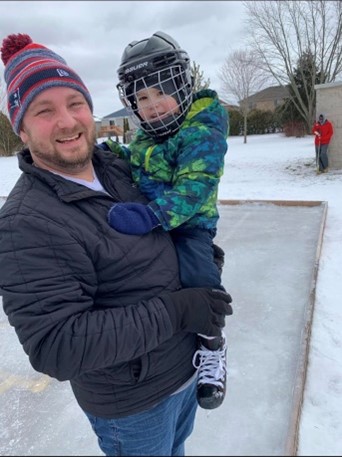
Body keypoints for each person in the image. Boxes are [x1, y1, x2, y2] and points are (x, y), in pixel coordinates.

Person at [0, 33, 233, 456]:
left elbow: (178, 214)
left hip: (184, 373)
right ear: (21, 127)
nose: (67, 121)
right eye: (44, 111)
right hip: (135, 407)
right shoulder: (24, 224)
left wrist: (201, 259)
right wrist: (178, 310)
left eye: (75, 104)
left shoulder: (118, 165)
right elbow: (57, 346)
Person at [99, 31, 229, 411]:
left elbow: (195, 188)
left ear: (183, 85)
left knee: (198, 276)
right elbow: (132, 158)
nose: (152, 105)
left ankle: (213, 345)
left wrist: (152, 215)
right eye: (141, 97)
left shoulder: (202, 128)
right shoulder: (145, 136)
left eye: (161, 91)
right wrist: (108, 152)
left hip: (189, 224)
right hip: (154, 221)